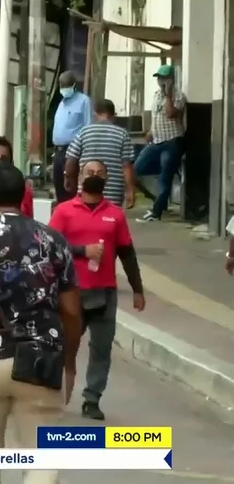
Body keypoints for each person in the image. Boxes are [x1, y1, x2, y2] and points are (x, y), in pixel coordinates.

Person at [0, 164, 81, 484]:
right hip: (41, 361)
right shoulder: (53, 241)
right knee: (42, 459)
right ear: (24, 198)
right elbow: (72, 311)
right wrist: (69, 361)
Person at [49, 159, 146, 421]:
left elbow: (127, 252)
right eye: (89, 172)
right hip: (70, 292)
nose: (94, 176)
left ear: (106, 178)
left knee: (101, 349)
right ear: (80, 176)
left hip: (104, 292)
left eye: (100, 173)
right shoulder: (64, 211)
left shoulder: (115, 214)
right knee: (64, 346)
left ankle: (92, 398)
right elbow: (50, 250)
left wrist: (138, 289)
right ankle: (52, 395)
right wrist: (83, 251)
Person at [135, 64, 187, 222]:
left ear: (171, 79)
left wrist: (168, 94)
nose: (161, 81)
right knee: (137, 167)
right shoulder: (156, 94)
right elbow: (156, 115)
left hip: (172, 142)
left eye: (164, 78)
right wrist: (151, 131)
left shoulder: (178, 95)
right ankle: (157, 197)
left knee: (165, 178)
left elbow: (171, 113)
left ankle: (156, 212)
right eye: (159, 77)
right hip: (156, 141)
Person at [64, 98, 137, 208]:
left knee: (85, 219)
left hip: (87, 190)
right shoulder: (123, 134)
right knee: (109, 221)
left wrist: (68, 178)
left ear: (95, 114)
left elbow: (71, 160)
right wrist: (130, 191)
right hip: (113, 193)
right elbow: (127, 166)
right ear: (113, 115)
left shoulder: (84, 132)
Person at [52, 70, 92, 203]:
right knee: (59, 186)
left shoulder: (83, 101)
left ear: (74, 86)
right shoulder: (62, 103)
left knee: (71, 187)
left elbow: (88, 127)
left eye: (66, 86)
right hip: (58, 151)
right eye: (62, 86)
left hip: (73, 151)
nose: (64, 90)